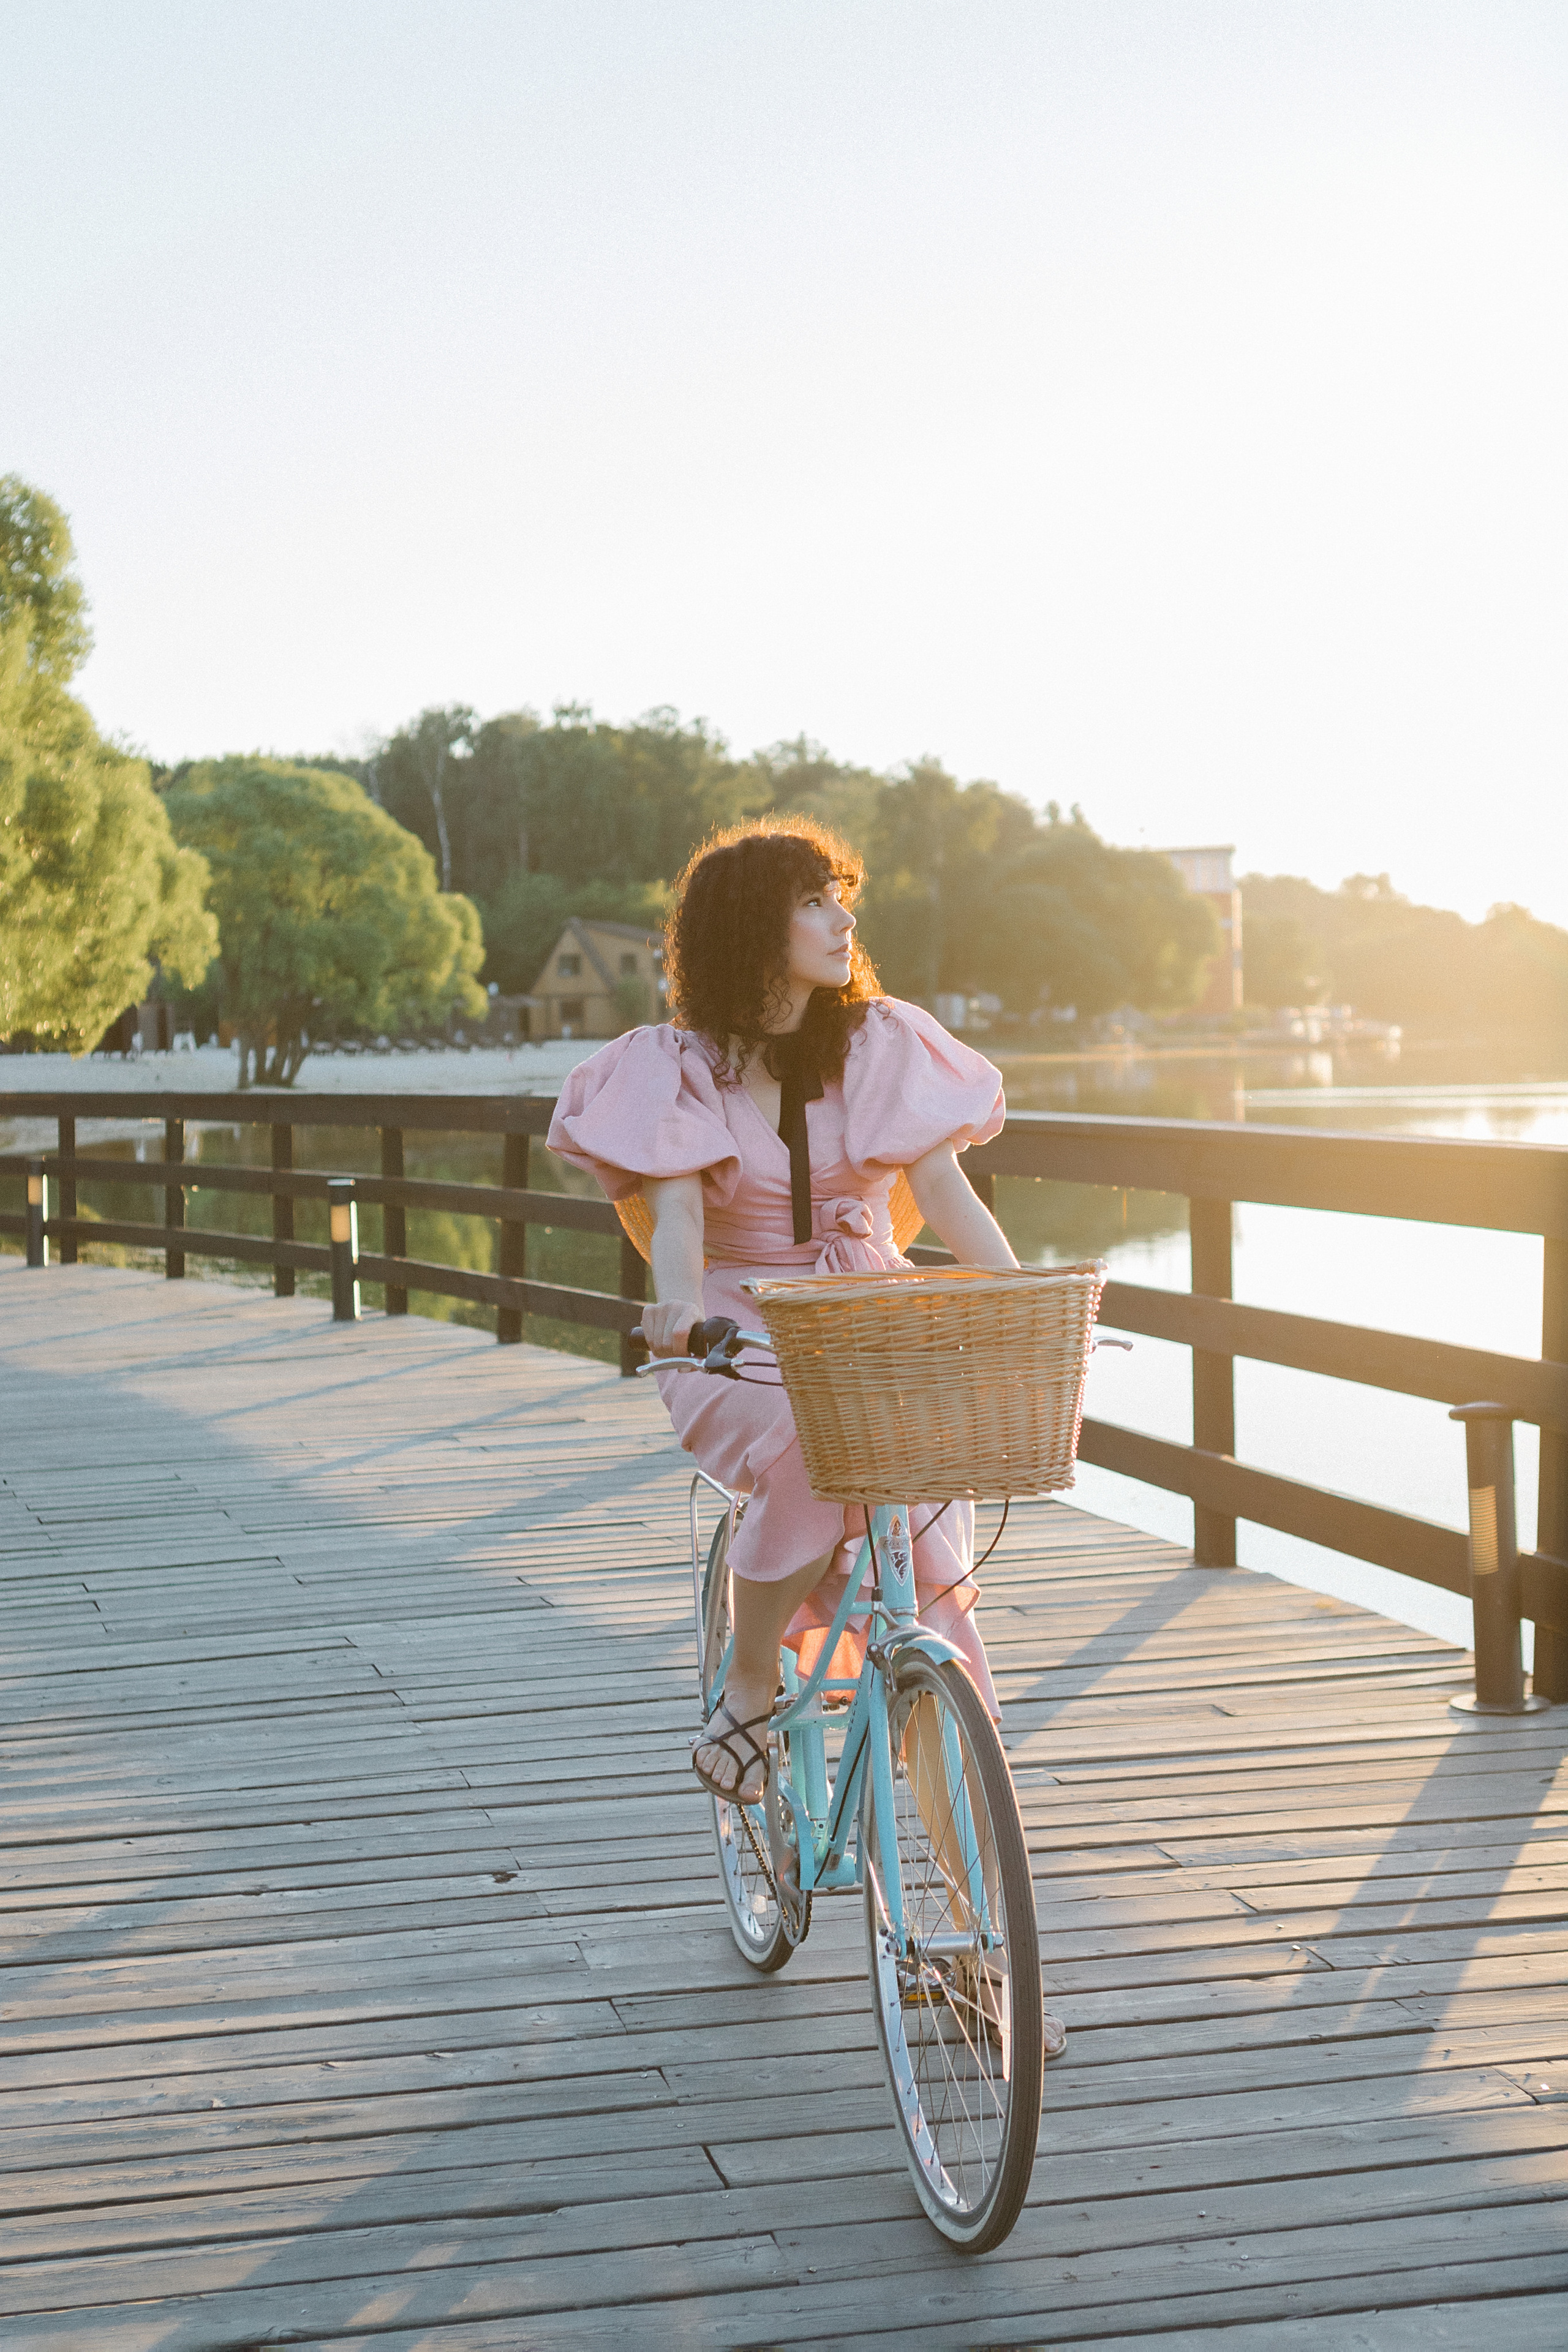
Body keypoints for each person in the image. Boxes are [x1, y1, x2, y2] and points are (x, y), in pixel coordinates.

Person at [549, 818, 1065, 2055]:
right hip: (735, 1324)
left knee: (945, 1630)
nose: (842, 921)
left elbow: (941, 1196)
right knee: (798, 1442)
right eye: (813, 902)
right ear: (749, 928)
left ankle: (990, 1953)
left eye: (842, 899)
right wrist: (675, 1305)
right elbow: (678, 1223)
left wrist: (1014, 1301)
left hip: (862, 1311)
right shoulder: (669, 1067)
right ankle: (745, 1683)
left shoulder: (879, 1043)